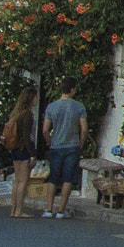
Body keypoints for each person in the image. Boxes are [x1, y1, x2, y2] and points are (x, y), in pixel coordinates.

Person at [42, 81, 88, 219]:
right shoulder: (79, 107)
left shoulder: (52, 107)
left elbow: (45, 130)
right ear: (72, 89)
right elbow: (84, 129)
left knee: (53, 178)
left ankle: (49, 209)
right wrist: (81, 143)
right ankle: (61, 210)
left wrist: (49, 141)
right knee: (68, 178)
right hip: (72, 145)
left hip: (56, 145)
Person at [2, 89, 38, 220]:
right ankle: (19, 210)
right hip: (24, 149)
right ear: (31, 98)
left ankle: (13, 209)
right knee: (23, 180)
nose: (37, 99)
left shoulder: (16, 113)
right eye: (35, 97)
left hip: (15, 148)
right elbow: (26, 136)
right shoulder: (27, 114)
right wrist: (32, 154)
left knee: (17, 180)